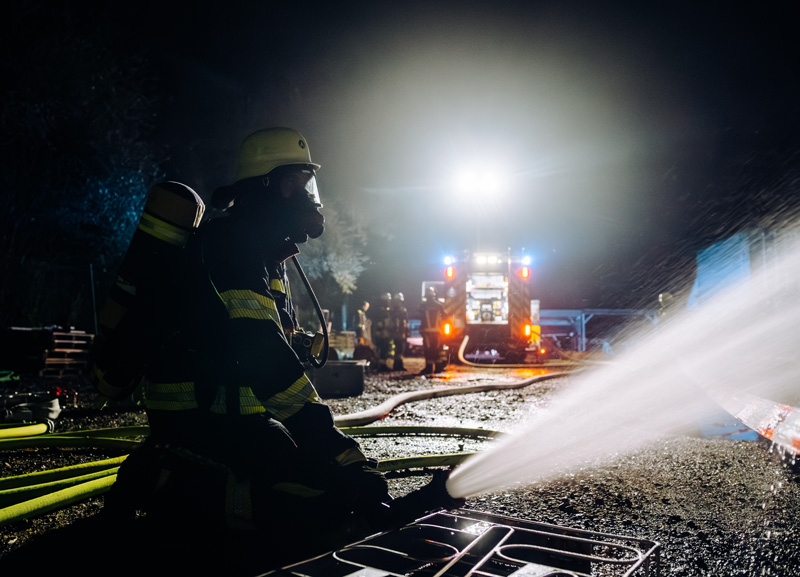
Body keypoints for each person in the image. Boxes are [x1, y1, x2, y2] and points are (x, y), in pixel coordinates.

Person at [101, 127, 393, 572]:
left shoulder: (259, 252)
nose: (306, 197)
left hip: (238, 418)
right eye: (293, 184)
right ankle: (161, 478)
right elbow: (262, 355)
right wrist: (332, 444)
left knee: (329, 486)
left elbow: (261, 338)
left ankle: (171, 473)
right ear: (262, 188)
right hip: (200, 419)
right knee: (324, 507)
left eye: (308, 184)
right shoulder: (233, 246)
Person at [420, 286, 447, 375]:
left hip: (427, 332)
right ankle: (438, 367)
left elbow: (420, 317)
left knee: (428, 350)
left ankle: (429, 368)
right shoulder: (439, 305)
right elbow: (445, 317)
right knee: (437, 349)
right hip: (437, 332)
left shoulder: (423, 306)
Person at [368, 292, 393, 371]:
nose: (388, 302)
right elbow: (377, 324)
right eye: (387, 300)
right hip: (380, 335)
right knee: (381, 351)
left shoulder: (386, 310)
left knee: (385, 350)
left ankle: (382, 365)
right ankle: (381, 366)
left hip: (385, 334)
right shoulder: (380, 311)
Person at [389, 292, 409, 371]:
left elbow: (405, 322)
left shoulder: (392, 310)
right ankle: (398, 366)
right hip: (399, 333)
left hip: (399, 333)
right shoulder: (400, 311)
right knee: (399, 349)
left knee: (399, 350)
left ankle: (398, 365)